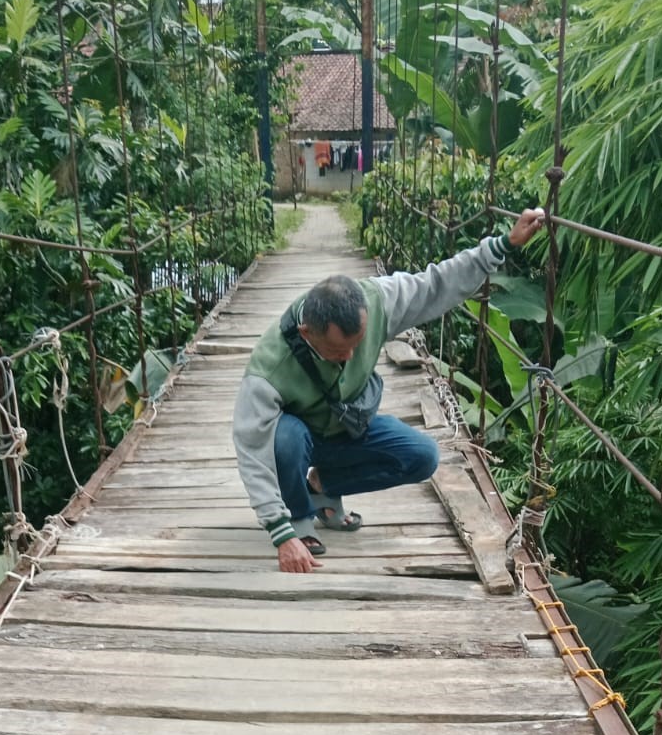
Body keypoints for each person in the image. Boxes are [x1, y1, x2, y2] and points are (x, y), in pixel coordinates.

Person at [232, 208, 547, 573]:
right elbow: (251, 450)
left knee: (422, 456)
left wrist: (503, 245)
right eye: (337, 351)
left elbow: (435, 284)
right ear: (306, 333)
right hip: (298, 440)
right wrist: (279, 531)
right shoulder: (269, 368)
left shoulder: (378, 301)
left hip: (347, 428)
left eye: (357, 345)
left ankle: (323, 486)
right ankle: (299, 519)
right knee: (286, 436)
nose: (350, 357)